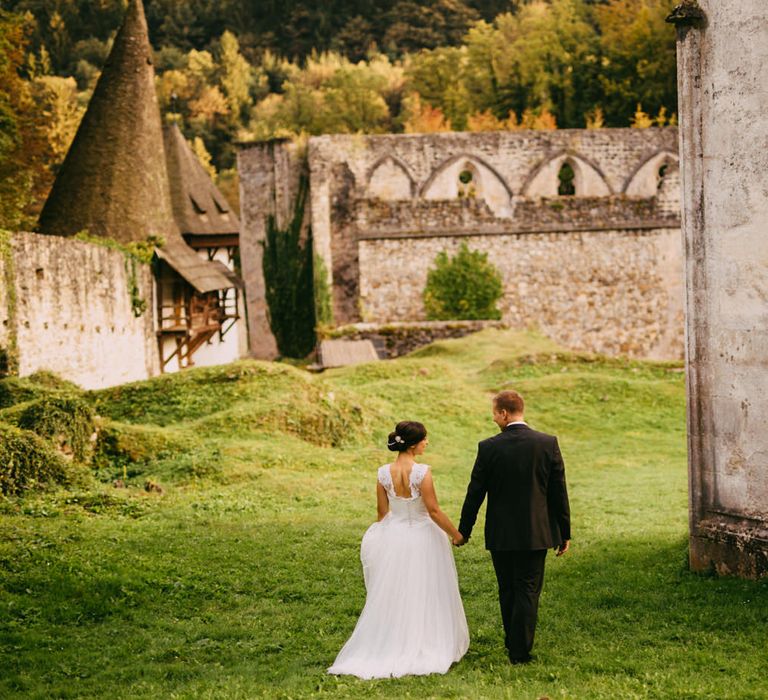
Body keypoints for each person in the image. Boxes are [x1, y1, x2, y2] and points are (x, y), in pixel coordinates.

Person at [328, 421, 469, 679]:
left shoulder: (383, 473)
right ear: (414, 444)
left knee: (397, 591)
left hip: (395, 535)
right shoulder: (422, 472)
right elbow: (434, 511)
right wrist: (457, 535)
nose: (427, 443)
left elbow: (383, 513)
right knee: (427, 588)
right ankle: (425, 641)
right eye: (425, 439)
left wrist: (384, 542)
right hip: (424, 537)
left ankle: (393, 640)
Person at [457, 390, 570, 665]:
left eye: (494, 413)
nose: (493, 418)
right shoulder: (547, 443)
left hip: (501, 533)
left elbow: (475, 492)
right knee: (528, 589)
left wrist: (465, 529)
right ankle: (520, 650)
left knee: (507, 588)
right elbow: (558, 492)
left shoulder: (489, 447)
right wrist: (564, 533)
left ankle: (513, 642)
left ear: (504, 414)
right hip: (537, 532)